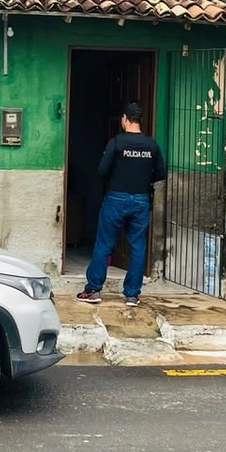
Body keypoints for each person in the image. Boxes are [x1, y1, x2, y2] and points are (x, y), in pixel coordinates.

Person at [76, 102, 166, 307]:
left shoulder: (116, 142)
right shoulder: (151, 145)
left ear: (125, 119)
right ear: (140, 120)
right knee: (137, 246)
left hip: (116, 198)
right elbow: (161, 172)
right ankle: (132, 295)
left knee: (104, 243)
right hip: (141, 199)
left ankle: (93, 290)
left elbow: (102, 170)